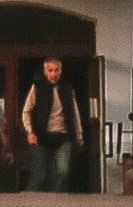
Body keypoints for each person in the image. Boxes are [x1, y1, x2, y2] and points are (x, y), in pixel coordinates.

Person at [20, 55, 90, 194]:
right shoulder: (38, 87)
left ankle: (56, 197)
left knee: (63, 171)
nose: (53, 74)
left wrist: (79, 136)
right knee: (39, 174)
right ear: (45, 71)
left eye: (56, 70)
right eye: (50, 70)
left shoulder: (67, 88)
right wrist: (30, 130)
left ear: (60, 70)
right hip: (41, 135)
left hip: (63, 135)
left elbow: (74, 113)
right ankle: (30, 199)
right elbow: (26, 111)